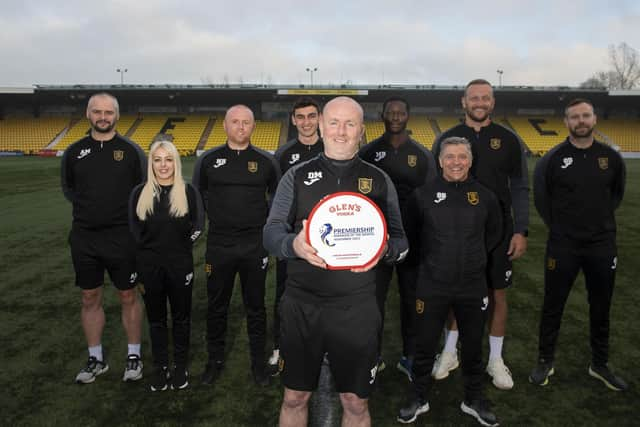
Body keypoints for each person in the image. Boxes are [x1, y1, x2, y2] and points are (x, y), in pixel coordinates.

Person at [264, 96, 408, 427]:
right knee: (294, 397)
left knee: (355, 403)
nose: (341, 131)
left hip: (357, 308)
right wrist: (293, 246)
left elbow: (402, 243)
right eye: (334, 122)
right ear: (321, 126)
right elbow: (270, 234)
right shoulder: (296, 177)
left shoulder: (380, 181)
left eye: (350, 124)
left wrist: (384, 251)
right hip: (302, 304)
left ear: (361, 131)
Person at [398, 136, 502, 426]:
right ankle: (417, 397)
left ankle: (474, 399)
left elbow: (493, 235)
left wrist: (472, 261)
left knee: (472, 347)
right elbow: (412, 237)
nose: (456, 162)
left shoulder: (485, 196)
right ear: (440, 160)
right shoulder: (422, 195)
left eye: (462, 156)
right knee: (424, 345)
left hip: (472, 285)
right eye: (450, 157)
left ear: (470, 160)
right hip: (433, 284)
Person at [431, 79, 529, 390]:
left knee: (497, 293)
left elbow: (520, 187)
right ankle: (449, 352)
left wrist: (521, 230)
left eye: (485, 97)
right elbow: (435, 188)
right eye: (474, 97)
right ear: (463, 102)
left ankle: (495, 359)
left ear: (493, 102)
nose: (480, 102)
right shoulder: (446, 139)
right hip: (456, 232)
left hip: (498, 233)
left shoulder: (509, 139)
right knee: (455, 292)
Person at [529, 98, 627, 391]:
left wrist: (598, 224)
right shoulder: (553, 159)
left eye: (585, 116)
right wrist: (562, 228)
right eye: (575, 117)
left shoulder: (610, 158)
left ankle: (599, 363)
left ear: (594, 119)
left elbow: (616, 196)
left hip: (602, 245)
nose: (581, 121)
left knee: (601, 306)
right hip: (563, 246)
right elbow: (542, 200)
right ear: (566, 122)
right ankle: (545, 360)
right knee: (552, 306)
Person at [192, 104, 280, 386]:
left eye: (246, 122)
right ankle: (214, 362)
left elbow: (277, 200)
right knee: (217, 307)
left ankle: (258, 364)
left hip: (255, 245)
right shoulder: (208, 160)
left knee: (256, 307)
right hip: (219, 245)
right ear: (225, 125)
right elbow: (197, 197)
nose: (240, 127)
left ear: (253, 127)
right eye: (235, 122)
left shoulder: (267, 161)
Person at [61, 92, 146, 384]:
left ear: (117, 116)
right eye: (97, 112)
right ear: (88, 115)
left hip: (122, 237)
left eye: (108, 112)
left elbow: (142, 192)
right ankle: (95, 358)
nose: (103, 117)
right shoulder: (74, 152)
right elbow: (69, 189)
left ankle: (133, 355)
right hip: (85, 238)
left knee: (128, 295)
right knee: (89, 296)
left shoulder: (132, 151)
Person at [358, 96, 436, 380]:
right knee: (372, 301)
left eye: (400, 112)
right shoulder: (367, 153)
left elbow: (430, 201)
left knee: (411, 299)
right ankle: (372, 357)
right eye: (390, 111)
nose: (395, 116)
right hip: (375, 241)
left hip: (413, 240)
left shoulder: (422, 155)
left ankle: (410, 355)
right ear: (382, 115)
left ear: (408, 116)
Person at [129, 135, 204, 391]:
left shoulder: (188, 191)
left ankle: (180, 367)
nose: (163, 165)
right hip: (150, 268)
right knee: (157, 320)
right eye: (158, 160)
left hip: (180, 265)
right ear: (151, 163)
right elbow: (134, 230)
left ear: (176, 162)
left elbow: (198, 227)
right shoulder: (139, 193)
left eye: (168, 160)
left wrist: (181, 247)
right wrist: (148, 254)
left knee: (182, 319)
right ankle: (161, 368)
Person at [268, 97, 324, 376]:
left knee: (328, 294)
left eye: (311, 116)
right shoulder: (283, 153)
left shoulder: (332, 148)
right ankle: (281, 346)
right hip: (293, 241)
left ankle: (324, 346)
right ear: (293, 120)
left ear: (319, 118)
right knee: (285, 295)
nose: (306, 122)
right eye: (300, 117)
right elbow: (277, 200)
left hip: (329, 240)